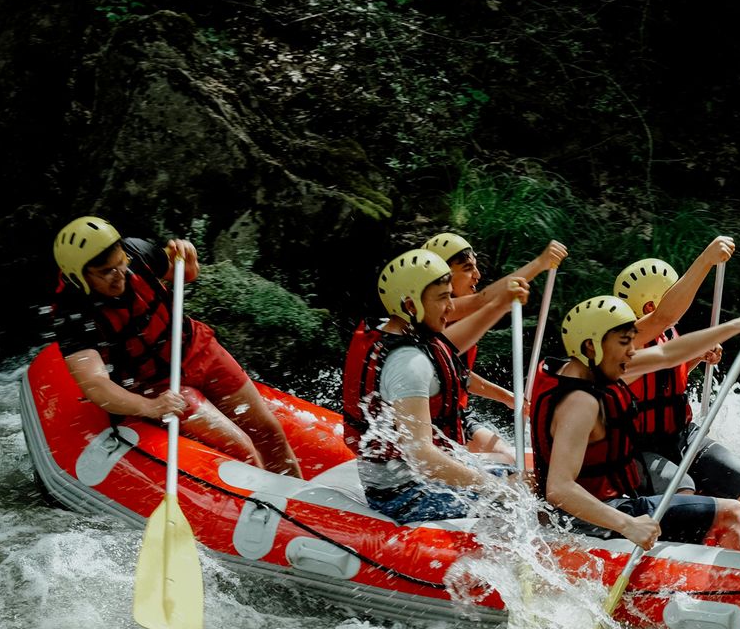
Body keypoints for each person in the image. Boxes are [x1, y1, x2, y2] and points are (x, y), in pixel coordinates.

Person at [50, 216, 302, 477]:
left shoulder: (136, 252)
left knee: (268, 432)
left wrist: (189, 260)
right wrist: (149, 407)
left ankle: (301, 506)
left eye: (120, 264)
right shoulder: (72, 313)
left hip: (198, 349)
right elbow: (95, 384)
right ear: (79, 277)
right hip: (158, 385)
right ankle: (272, 512)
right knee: (242, 448)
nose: (120, 275)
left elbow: (186, 273)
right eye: (106, 272)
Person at [531, 294, 740, 552]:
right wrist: (627, 524)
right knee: (732, 513)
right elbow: (558, 489)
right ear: (592, 346)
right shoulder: (580, 403)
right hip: (588, 516)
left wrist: (739, 325)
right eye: (625, 343)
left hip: (607, 500)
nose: (633, 351)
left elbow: (667, 354)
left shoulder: (581, 368)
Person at [340, 250, 527, 523]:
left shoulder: (401, 330)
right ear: (410, 305)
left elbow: (451, 349)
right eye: (442, 298)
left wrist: (501, 304)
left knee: (526, 481)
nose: (452, 308)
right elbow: (422, 456)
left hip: (414, 479)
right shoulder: (409, 363)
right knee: (513, 505)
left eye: (450, 295)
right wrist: (494, 488)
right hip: (403, 494)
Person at [612, 236, 740, 505]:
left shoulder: (667, 335)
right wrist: (706, 260)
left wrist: (696, 359)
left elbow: (662, 383)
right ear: (650, 306)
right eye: (675, 294)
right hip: (636, 449)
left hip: (680, 436)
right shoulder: (626, 340)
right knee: (683, 492)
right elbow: (663, 316)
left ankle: (738, 542)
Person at [422, 231, 568, 457]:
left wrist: (509, 397)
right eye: (468, 268)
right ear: (443, 276)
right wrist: (540, 264)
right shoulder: (431, 317)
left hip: (454, 415)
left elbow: (460, 375)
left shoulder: (453, 317)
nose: (478, 276)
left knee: (508, 457)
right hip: (425, 421)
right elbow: (484, 300)